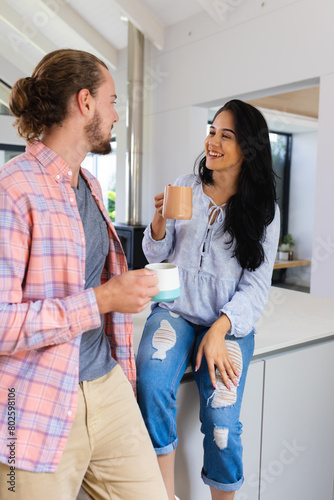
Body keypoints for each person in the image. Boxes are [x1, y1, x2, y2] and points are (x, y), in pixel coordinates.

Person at [0, 49, 168, 500]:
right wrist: (102, 300)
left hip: (107, 385)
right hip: (30, 403)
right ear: (85, 102)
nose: (117, 116)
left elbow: (91, 280)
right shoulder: (12, 190)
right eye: (112, 101)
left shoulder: (89, 184)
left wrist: (124, 292)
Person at [136, 100, 280, 500]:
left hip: (228, 323)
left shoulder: (264, 211)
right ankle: (163, 493)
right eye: (212, 131)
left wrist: (220, 328)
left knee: (221, 421)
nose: (212, 141)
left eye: (225, 135)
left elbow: (256, 288)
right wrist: (160, 224)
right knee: (149, 384)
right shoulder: (186, 186)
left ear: (248, 148)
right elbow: (155, 255)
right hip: (176, 312)